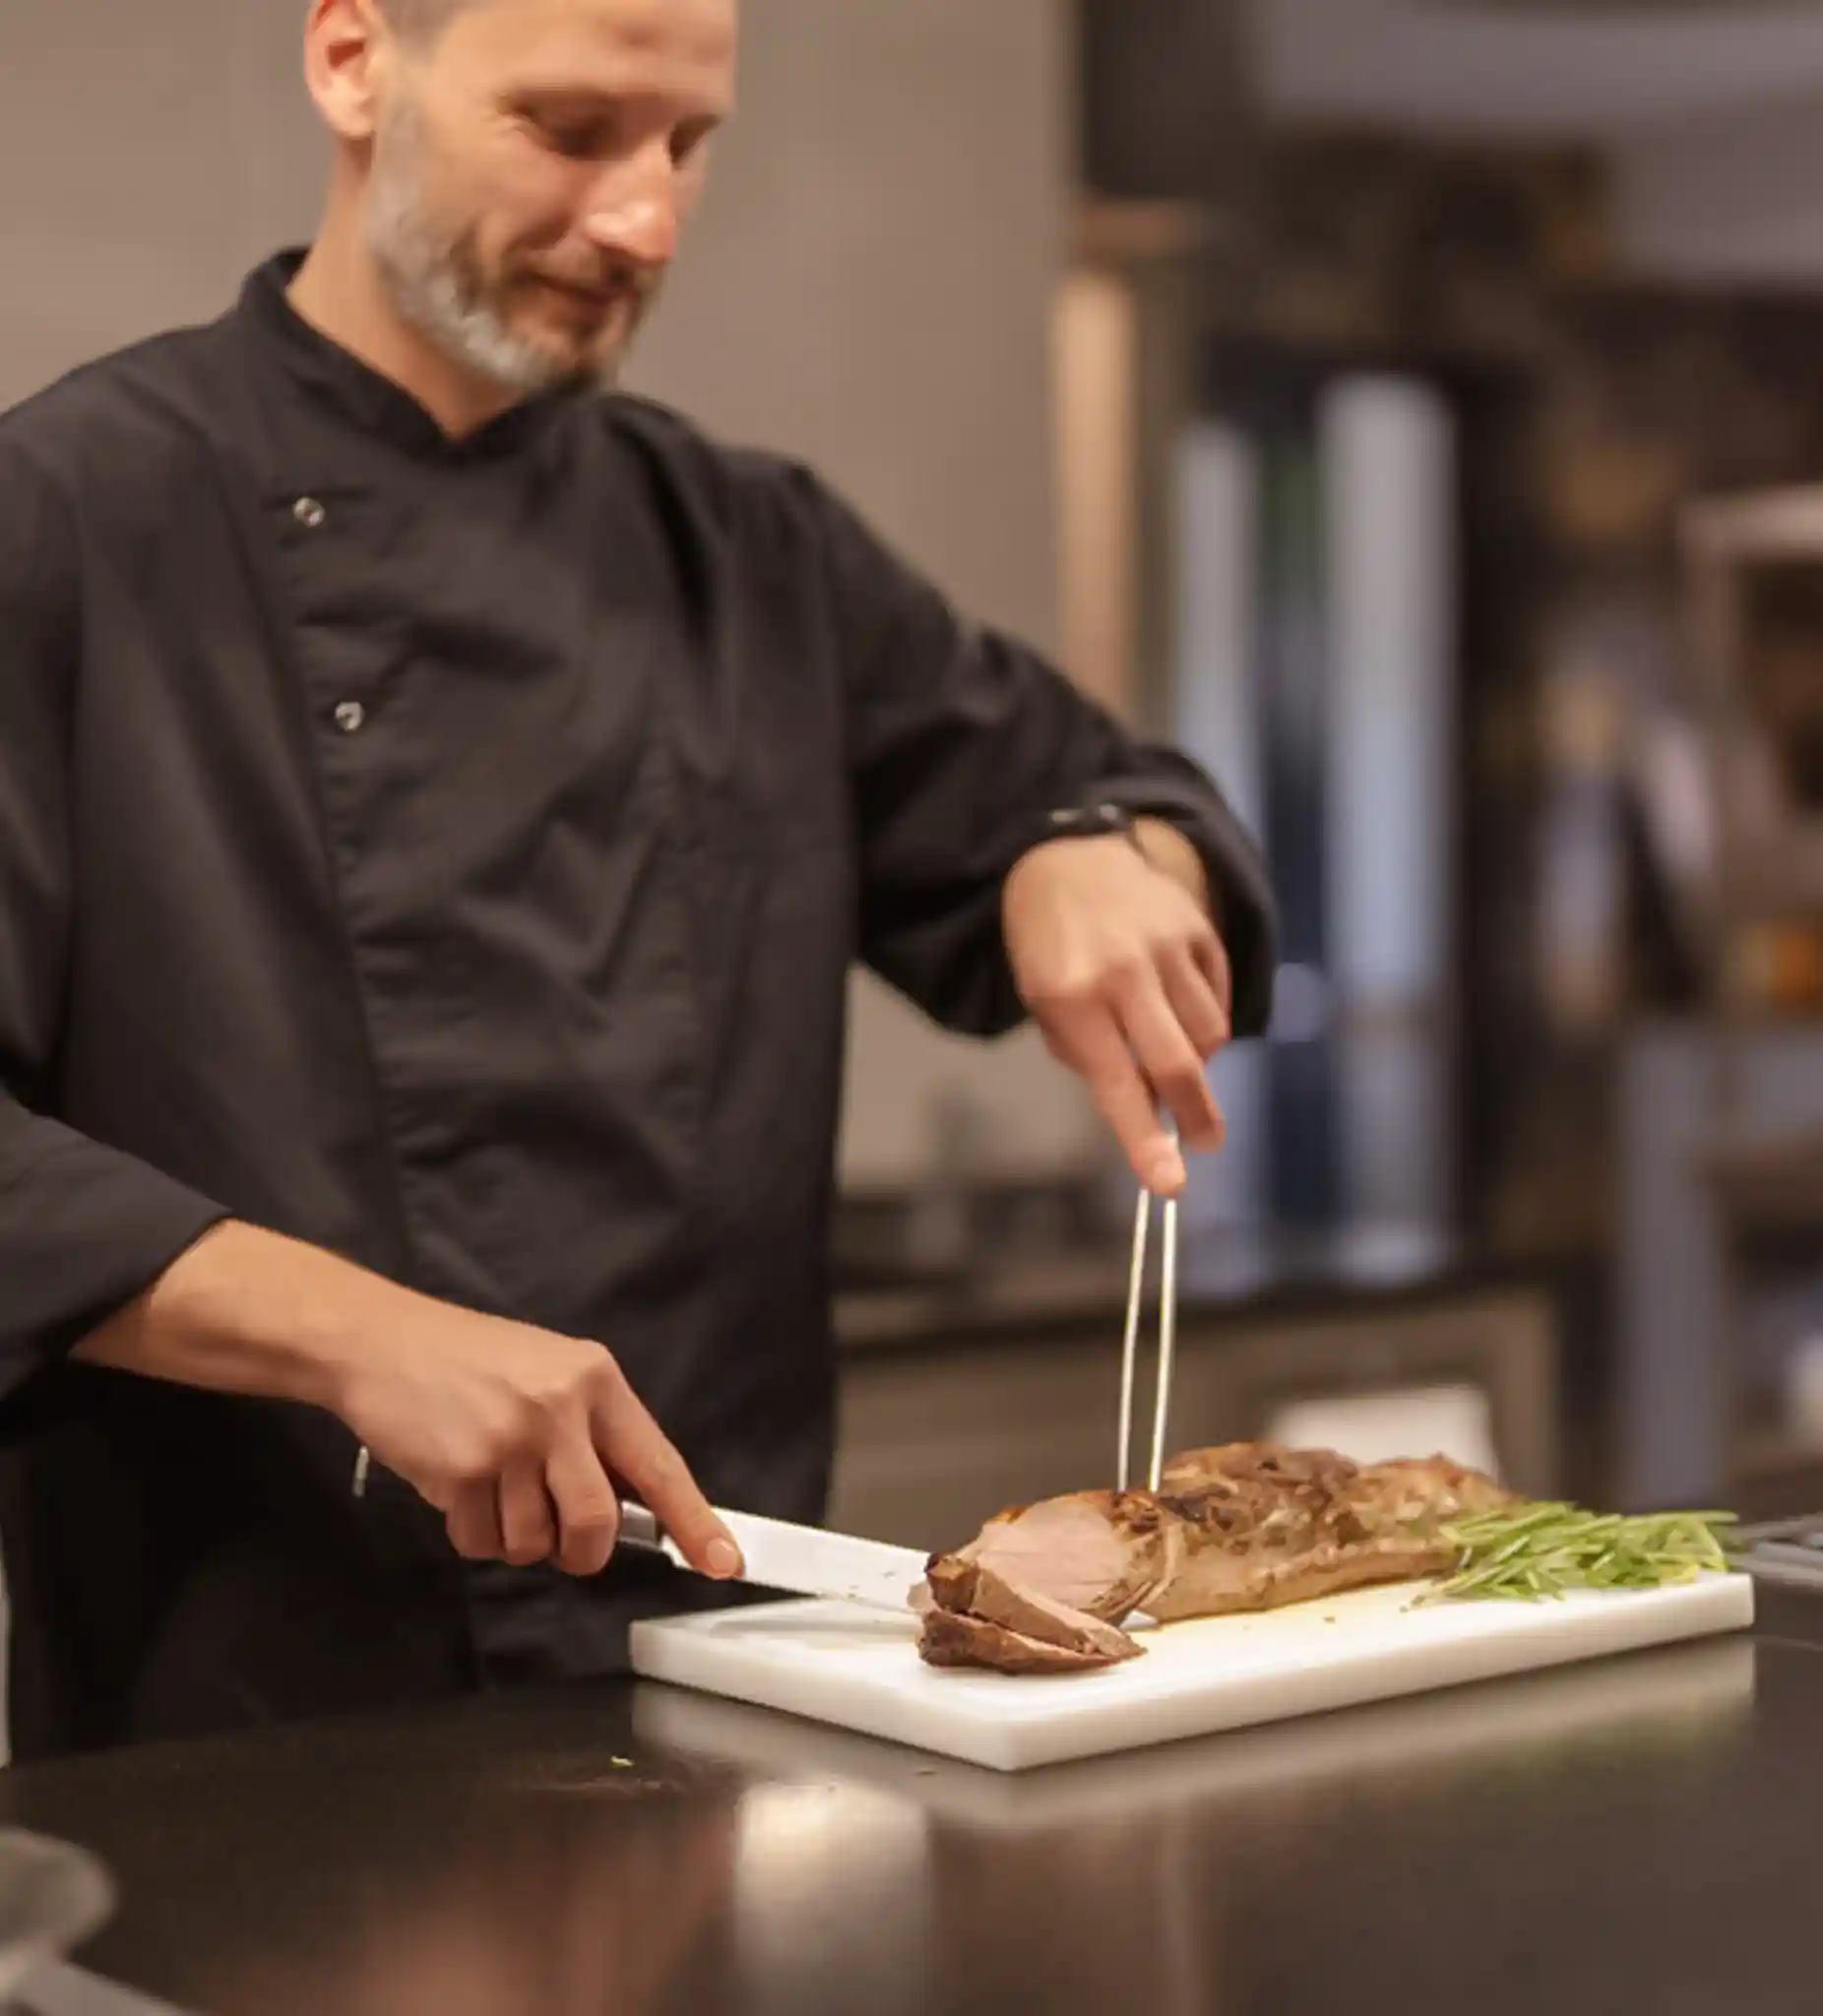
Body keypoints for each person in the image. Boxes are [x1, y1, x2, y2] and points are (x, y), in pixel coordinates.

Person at [0, 0, 1275, 1760]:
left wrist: (1098, 854)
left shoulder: (750, 552)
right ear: (356, 60)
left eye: (687, 145)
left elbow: (1122, 792)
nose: (646, 222)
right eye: (573, 128)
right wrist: (353, 1333)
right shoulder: (69, 516)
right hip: (261, 1736)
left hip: (745, 1709)